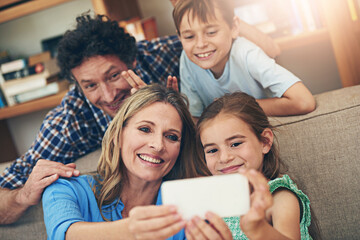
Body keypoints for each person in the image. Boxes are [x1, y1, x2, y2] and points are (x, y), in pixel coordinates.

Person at [0, 3, 281, 224]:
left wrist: (166, 108)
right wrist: (24, 194)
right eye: (90, 85)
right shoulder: (69, 120)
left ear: (133, 60)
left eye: (113, 76)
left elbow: (261, 47)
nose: (108, 95)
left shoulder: (160, 54)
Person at [42, 84, 214, 240]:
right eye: (145, 129)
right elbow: (65, 235)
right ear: (118, 135)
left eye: (171, 137)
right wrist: (130, 230)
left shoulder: (190, 209)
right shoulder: (66, 189)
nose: (158, 145)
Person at [186, 92, 320, 239]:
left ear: (265, 142)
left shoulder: (279, 197)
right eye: (212, 150)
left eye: (236, 144)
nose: (224, 158)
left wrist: (258, 229)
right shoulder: (214, 202)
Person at [173, 0, 316, 120]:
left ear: (234, 27)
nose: (200, 44)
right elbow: (195, 118)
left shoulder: (246, 53)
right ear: (179, 37)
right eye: (189, 37)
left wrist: (235, 107)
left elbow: (304, 101)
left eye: (211, 32)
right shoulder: (187, 59)